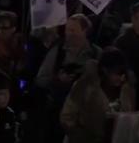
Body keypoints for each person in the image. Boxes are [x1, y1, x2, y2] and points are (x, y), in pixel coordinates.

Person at [35, 14, 101, 143]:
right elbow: (40, 79)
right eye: (67, 29)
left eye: (73, 30)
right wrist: (58, 79)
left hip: (85, 113)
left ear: (85, 31)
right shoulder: (58, 52)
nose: (69, 34)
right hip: (58, 111)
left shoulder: (96, 53)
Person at [60, 48, 136, 143]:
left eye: (123, 73)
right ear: (104, 70)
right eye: (116, 73)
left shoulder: (126, 90)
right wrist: (81, 136)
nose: (120, 78)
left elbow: (130, 116)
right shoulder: (84, 86)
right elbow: (67, 116)